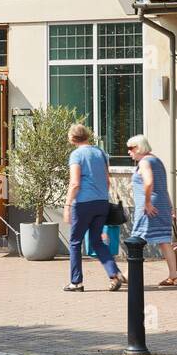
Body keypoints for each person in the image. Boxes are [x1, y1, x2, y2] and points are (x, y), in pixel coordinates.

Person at [62, 123, 125, 292]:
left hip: (83, 204)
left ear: (72, 138)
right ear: (87, 135)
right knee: (97, 241)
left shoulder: (76, 155)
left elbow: (75, 183)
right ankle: (114, 273)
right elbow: (107, 181)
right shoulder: (100, 153)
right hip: (102, 203)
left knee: (75, 242)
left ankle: (76, 282)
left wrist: (67, 205)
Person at [126, 135, 177, 286]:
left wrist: (147, 202)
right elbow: (163, 188)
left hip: (150, 208)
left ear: (139, 147)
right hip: (162, 205)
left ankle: (127, 275)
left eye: (131, 149)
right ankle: (173, 276)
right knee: (164, 241)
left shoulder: (144, 162)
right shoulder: (157, 160)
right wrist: (170, 208)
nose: (129, 152)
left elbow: (149, 182)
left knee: (137, 239)